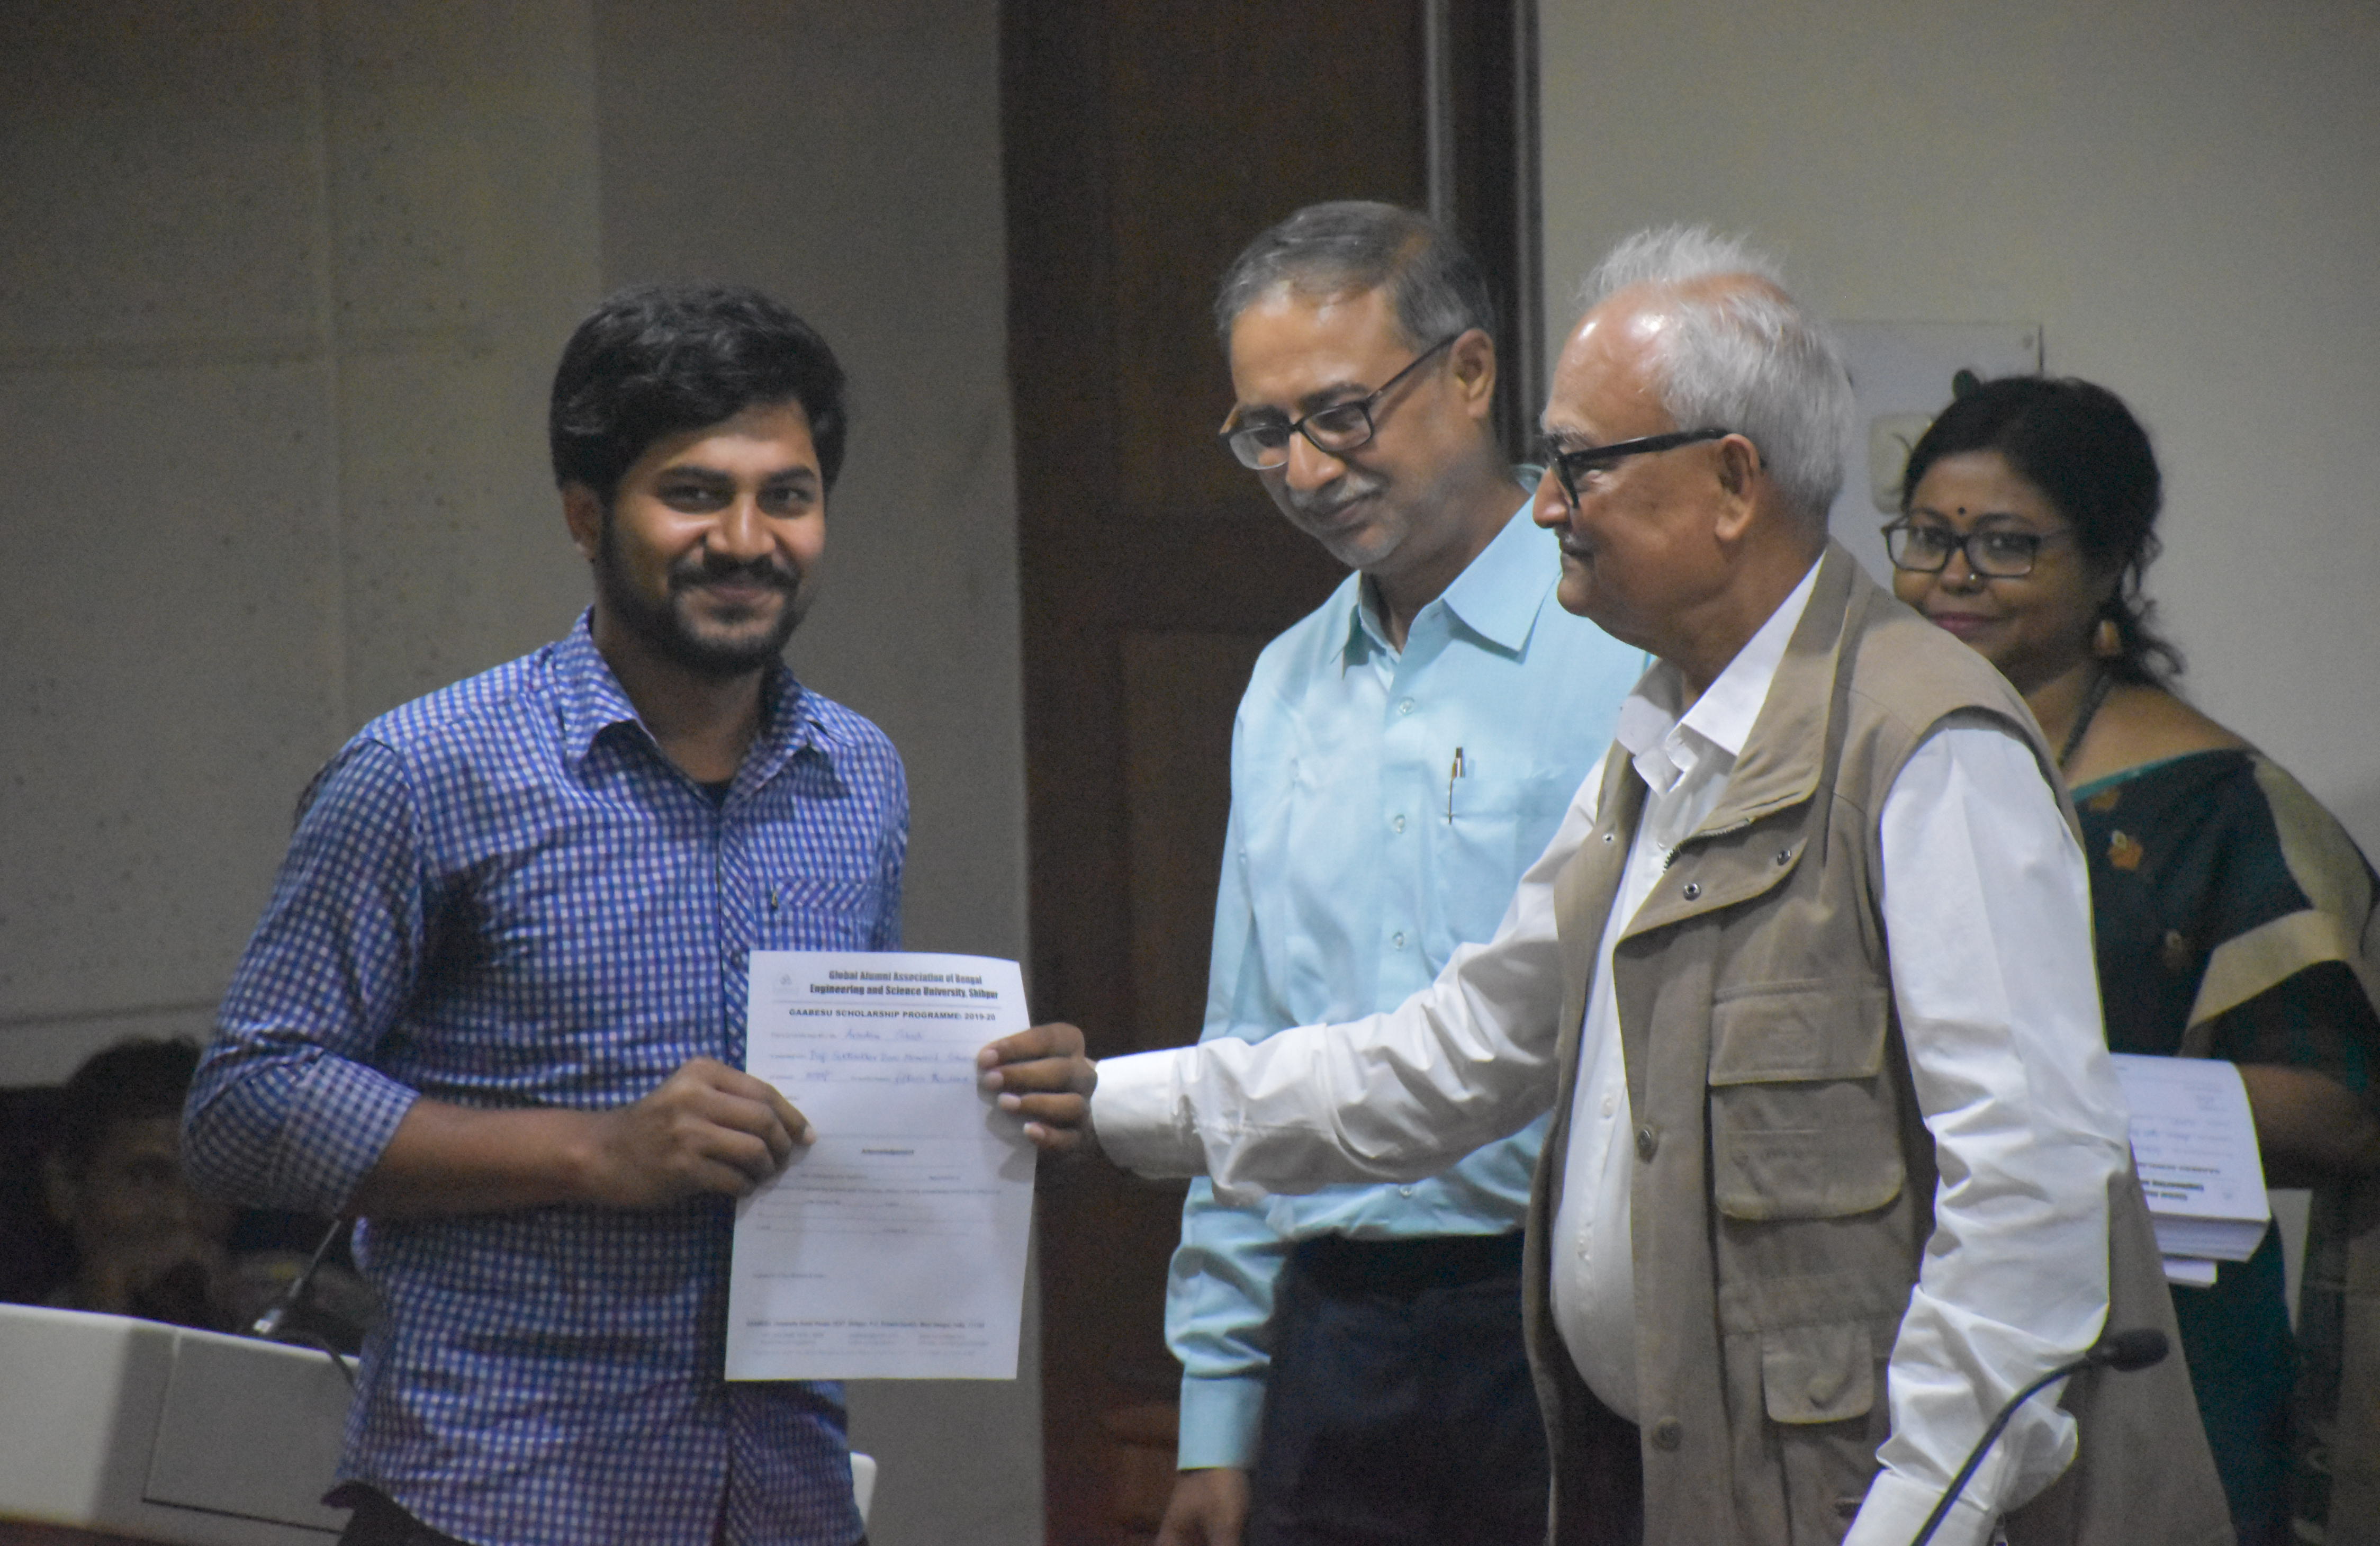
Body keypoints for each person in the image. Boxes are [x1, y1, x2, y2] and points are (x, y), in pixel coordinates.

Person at [982, 226, 2228, 1546]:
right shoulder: (1662, 737)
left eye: (1581, 465)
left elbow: (2032, 1197)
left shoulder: (1924, 742)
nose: (1547, 507)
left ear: (1730, 483)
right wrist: (1111, 1100)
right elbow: (1459, 1054)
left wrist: (1918, 1518)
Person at [185, 285, 905, 1546]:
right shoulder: (425, 770)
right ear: (585, 515)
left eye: (786, 495)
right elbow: (245, 1110)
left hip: (780, 1492)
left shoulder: (860, 773)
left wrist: (993, 1105)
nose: (747, 539)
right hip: (497, 1494)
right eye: (694, 493)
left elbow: (848, 1104)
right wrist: (594, 1150)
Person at [1165, 201, 1640, 1546]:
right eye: (1266, 432)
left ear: (1471, 371)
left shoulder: (1627, 647)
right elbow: (1248, 1036)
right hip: (1335, 1332)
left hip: (1570, 1310)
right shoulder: (1285, 684)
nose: (1307, 471)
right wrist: (1218, 1402)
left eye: (1341, 415)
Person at [1888, 373, 2380, 1544]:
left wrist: (2054, 1102)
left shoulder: (2211, 805)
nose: (1955, 576)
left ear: (2109, 562)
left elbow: (2342, 1106)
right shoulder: (1879, 753)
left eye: (2006, 544)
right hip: (1914, 1292)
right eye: (1929, 537)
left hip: (2155, 1326)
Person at [43, 1037, 236, 1329]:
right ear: (65, 1190)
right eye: (146, 1179)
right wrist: (108, 1317)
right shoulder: (17, 1342)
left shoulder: (287, 1309)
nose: (182, 1213)